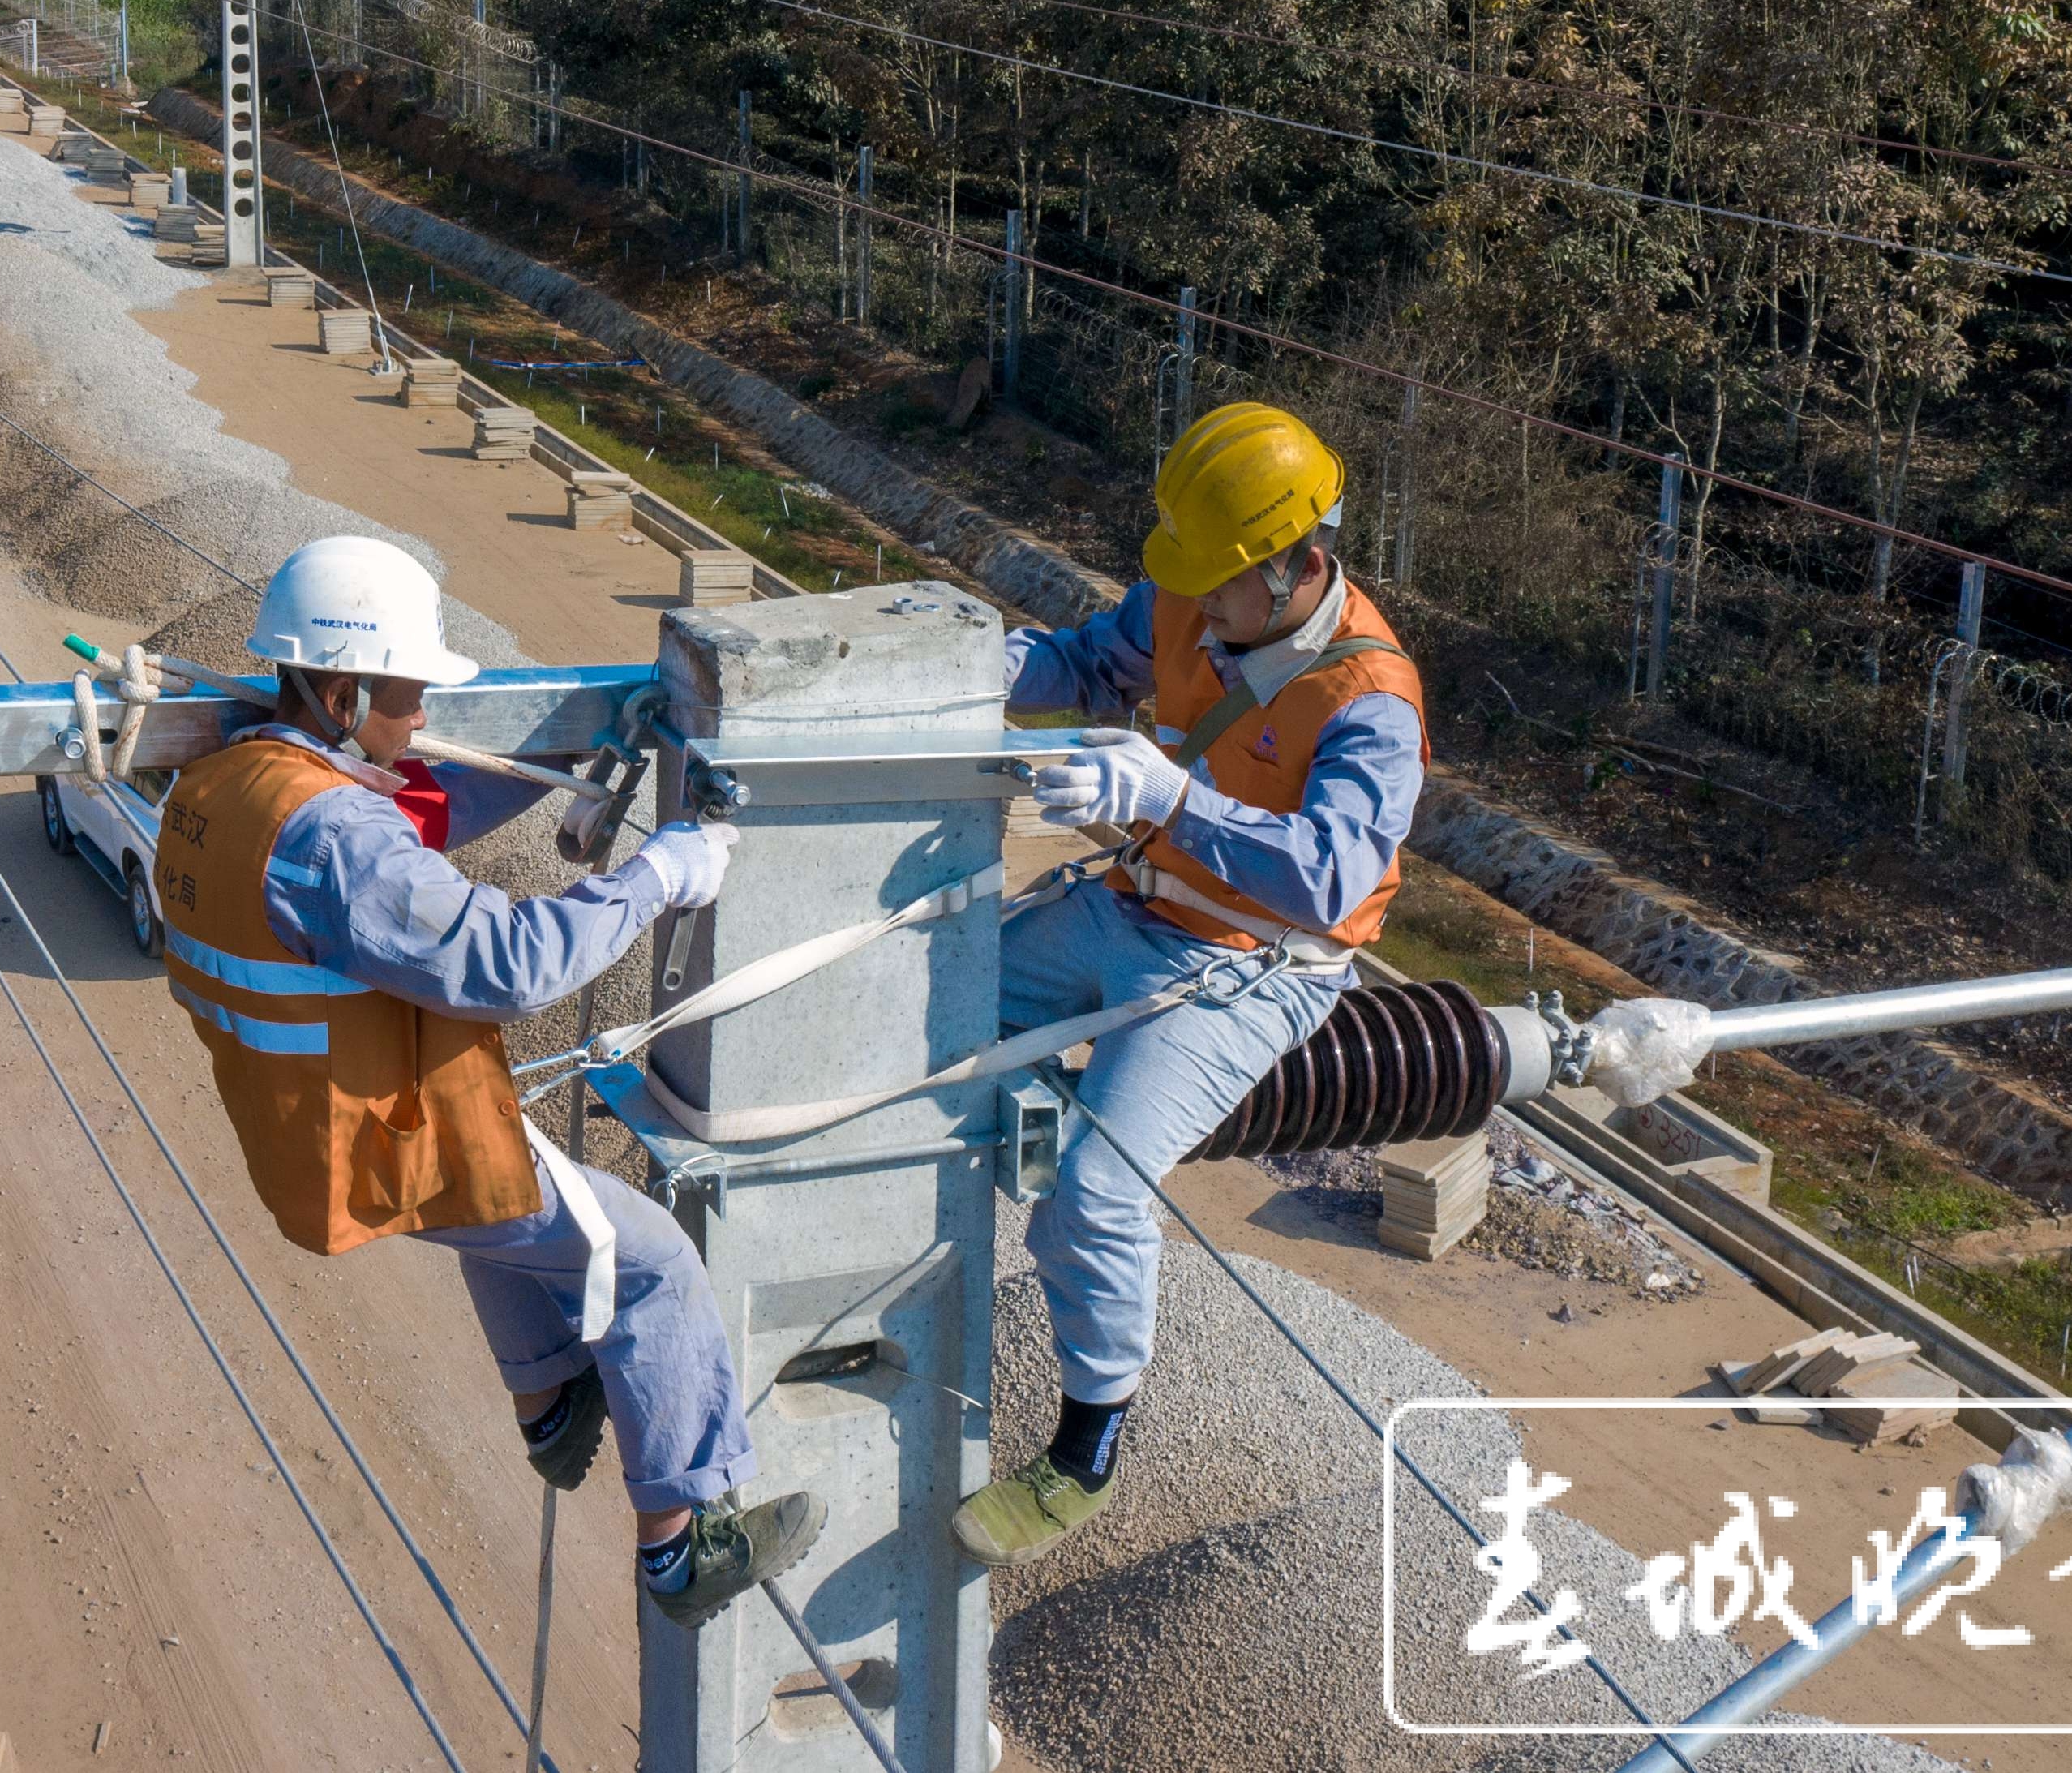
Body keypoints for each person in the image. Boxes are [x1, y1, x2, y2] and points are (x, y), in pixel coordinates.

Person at [152, 534, 822, 1625]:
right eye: (409, 695)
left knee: (502, 1208)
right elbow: (507, 962)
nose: (421, 720)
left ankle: (553, 1400)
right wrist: (660, 873)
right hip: (380, 1137)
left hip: (313, 1125)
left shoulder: (232, 783)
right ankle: (680, 1545)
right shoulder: (334, 843)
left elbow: (404, 814)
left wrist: (552, 759)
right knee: (647, 1259)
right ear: (339, 689)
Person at [952, 403, 1426, 1567]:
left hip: (1251, 965)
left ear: (1302, 564)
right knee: (930, 1007)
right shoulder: (1190, 592)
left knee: (1096, 1192)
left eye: (1222, 592)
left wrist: (1166, 800)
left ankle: (1086, 1446)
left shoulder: (1370, 701)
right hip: (1135, 906)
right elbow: (1080, 661)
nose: (1199, 617)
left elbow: (1326, 876)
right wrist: (965, 668)